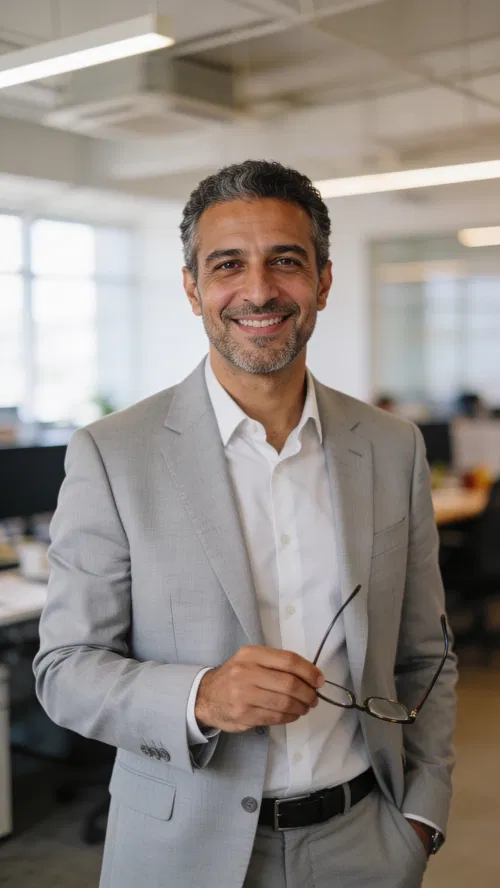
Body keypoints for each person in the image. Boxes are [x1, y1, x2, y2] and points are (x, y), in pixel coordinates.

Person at [33, 160, 457, 888]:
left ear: (323, 281)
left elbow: (426, 652)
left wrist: (422, 814)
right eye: (228, 265)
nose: (259, 290)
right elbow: (64, 669)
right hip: (182, 852)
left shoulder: (393, 446)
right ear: (193, 289)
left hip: (368, 842)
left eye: (285, 262)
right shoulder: (113, 454)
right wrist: (200, 696)